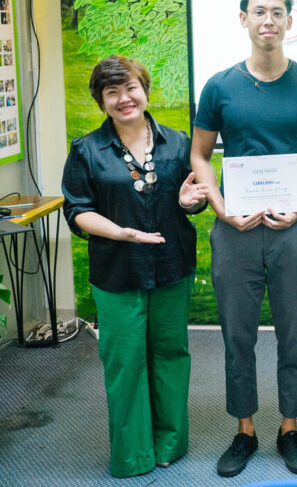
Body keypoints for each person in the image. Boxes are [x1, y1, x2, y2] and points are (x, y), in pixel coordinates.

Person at [191, 0, 297, 477]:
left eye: (277, 12)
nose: (268, 21)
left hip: (292, 229)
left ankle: (289, 427)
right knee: (238, 334)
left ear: (289, 21)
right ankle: (245, 431)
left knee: (294, 333)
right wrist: (220, 205)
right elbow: (199, 155)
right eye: (259, 12)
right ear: (244, 19)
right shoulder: (219, 86)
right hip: (236, 229)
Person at [62, 56, 208, 478]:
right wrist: (120, 232)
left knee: (170, 354)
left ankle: (169, 443)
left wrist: (188, 202)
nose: (124, 99)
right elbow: (77, 211)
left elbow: (194, 197)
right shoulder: (86, 150)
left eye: (130, 88)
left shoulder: (179, 143)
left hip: (171, 265)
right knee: (125, 361)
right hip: (117, 270)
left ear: (144, 89)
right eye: (112, 92)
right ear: (101, 101)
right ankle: (132, 454)